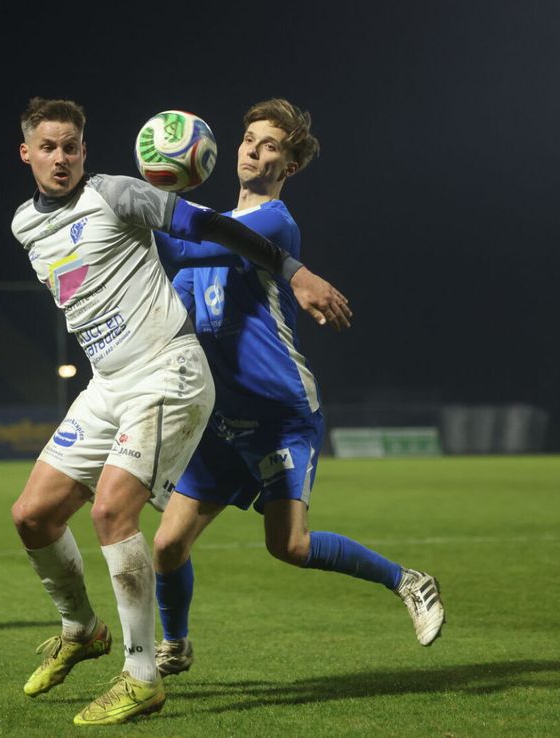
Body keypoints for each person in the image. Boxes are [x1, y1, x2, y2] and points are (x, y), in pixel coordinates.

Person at [10, 98, 351, 726]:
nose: (62, 158)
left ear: (86, 151)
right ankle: (81, 629)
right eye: (49, 147)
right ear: (27, 153)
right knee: (32, 516)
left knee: (114, 511)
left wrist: (296, 272)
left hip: (168, 370)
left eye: (73, 147)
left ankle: (141, 675)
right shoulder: (24, 225)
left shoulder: (117, 194)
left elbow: (213, 228)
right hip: (108, 382)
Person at [149, 100, 445, 679]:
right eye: (249, 139)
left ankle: (408, 581)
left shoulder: (273, 224)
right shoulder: (208, 224)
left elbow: (188, 244)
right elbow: (177, 272)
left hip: (280, 412)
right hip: (222, 421)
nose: (254, 151)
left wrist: (142, 207)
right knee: (165, 548)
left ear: (289, 166)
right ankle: (175, 645)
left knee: (289, 546)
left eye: (270, 147)